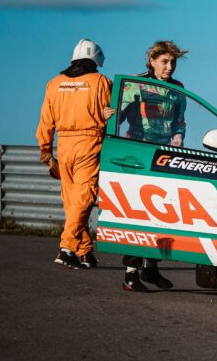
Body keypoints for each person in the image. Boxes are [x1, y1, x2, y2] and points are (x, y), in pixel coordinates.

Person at [118, 40, 188, 292]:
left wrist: (179, 135)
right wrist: (108, 114)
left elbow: (180, 120)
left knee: (164, 213)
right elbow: (118, 115)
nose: (170, 67)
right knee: (139, 214)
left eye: (173, 62)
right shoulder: (135, 84)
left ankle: (151, 267)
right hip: (138, 154)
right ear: (152, 62)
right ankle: (130, 274)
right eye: (165, 62)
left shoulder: (178, 88)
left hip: (165, 155)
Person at [36, 39, 112, 270]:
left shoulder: (54, 83)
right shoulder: (100, 81)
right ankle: (67, 248)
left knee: (72, 201)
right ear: (97, 60)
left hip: (64, 144)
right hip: (90, 143)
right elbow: (113, 116)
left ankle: (85, 252)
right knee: (85, 197)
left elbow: (45, 121)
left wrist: (46, 151)